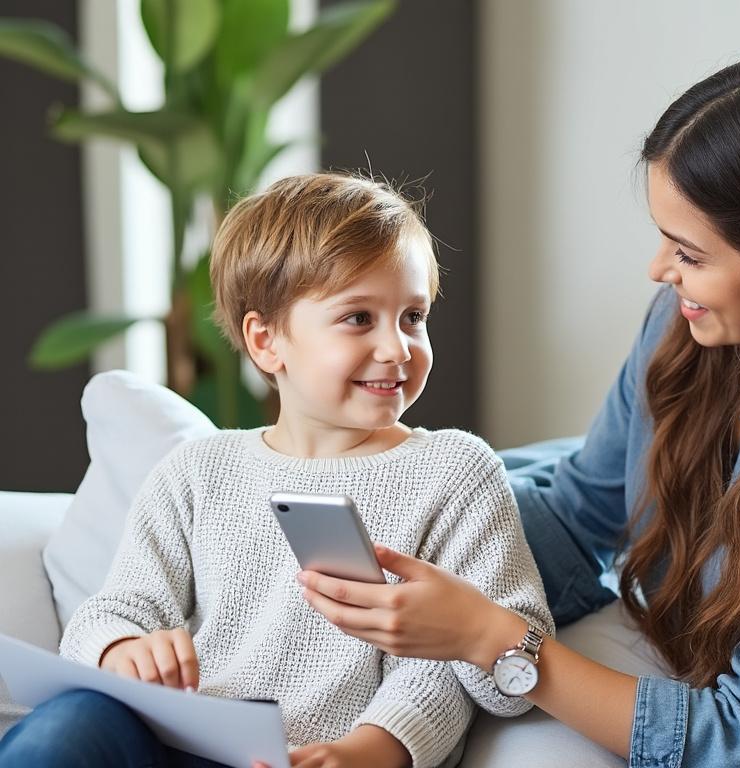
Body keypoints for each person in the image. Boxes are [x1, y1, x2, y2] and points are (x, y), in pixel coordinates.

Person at [293, 54, 740, 766]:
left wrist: (497, 639)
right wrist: (409, 530)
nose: (659, 270)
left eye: (689, 252)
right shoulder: (685, 324)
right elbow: (586, 511)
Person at [0, 173, 554, 768]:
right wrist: (123, 651)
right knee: (68, 727)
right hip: (179, 738)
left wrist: (368, 752)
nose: (397, 348)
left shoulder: (454, 472)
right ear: (267, 342)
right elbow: (115, 609)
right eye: (359, 318)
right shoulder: (196, 470)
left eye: (413, 316)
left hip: (326, 755)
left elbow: (486, 673)